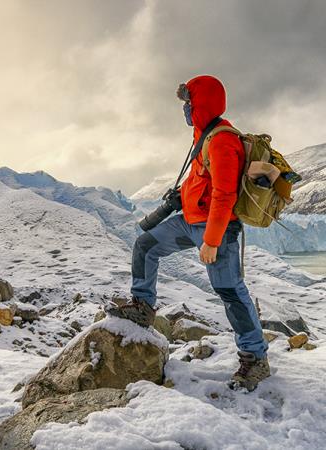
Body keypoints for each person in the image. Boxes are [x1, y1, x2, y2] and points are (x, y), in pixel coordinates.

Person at [106, 75, 269, 391]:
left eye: (188, 103)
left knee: (230, 290)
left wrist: (211, 240)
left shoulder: (222, 140)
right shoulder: (203, 134)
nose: (185, 108)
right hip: (189, 222)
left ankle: (255, 358)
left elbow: (224, 195)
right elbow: (201, 181)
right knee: (146, 245)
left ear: (201, 105)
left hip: (215, 229)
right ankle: (142, 307)